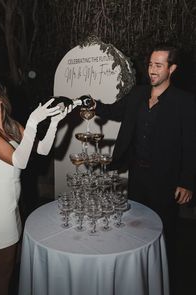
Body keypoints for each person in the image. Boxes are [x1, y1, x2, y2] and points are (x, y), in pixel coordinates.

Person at [94, 44, 196, 290]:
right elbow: (111, 110)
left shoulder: (185, 102)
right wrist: (89, 103)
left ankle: (164, 281)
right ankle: (137, 281)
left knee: (163, 234)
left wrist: (187, 181)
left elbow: (192, 144)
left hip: (166, 180)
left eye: (158, 65)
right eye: (150, 64)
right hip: (137, 176)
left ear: (172, 69)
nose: (152, 70)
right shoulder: (138, 94)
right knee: (135, 230)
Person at [0, 75, 70, 295]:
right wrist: (32, 122)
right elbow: (18, 160)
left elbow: (42, 150)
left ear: (0, 97)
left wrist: (55, 122)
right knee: (3, 273)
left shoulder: (11, 125)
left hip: (10, 203)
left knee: (10, 268)